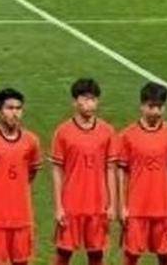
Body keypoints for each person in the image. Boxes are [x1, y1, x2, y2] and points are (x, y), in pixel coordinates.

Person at [117, 82, 167, 265]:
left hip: (164, 207)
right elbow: (122, 172)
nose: (156, 111)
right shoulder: (127, 136)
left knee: (166, 256)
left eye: (160, 107)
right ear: (142, 106)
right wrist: (122, 206)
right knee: (131, 256)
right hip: (136, 208)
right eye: (151, 106)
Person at [51, 78, 117, 265]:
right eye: (85, 99)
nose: (90, 104)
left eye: (93, 99)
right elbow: (57, 170)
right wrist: (59, 206)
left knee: (96, 253)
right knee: (63, 253)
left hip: (98, 204)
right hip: (71, 203)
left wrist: (112, 204)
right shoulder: (63, 132)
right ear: (75, 102)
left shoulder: (107, 131)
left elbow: (110, 169)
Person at [0, 88, 41, 265]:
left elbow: (32, 172)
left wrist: (16, 189)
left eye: (18, 108)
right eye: (9, 108)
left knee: (21, 261)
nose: (15, 113)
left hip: (22, 215)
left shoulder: (31, 141)